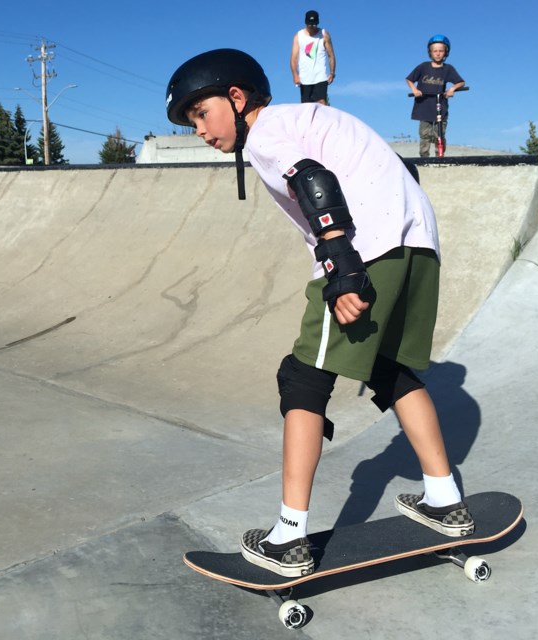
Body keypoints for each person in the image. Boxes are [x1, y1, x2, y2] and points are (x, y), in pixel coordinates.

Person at [165, 48, 474, 578]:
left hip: (363, 248)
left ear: (237, 99)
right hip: (417, 241)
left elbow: (312, 179)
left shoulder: (265, 134)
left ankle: (289, 537)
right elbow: (401, 170)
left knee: (304, 379)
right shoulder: (310, 118)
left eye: (200, 113)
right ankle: (446, 501)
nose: (199, 130)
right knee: (388, 369)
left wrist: (343, 265)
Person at [405, 35, 465, 157]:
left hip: (440, 104)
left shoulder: (448, 69)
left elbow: (461, 82)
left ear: (446, 52)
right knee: (425, 133)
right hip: (424, 104)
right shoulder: (423, 66)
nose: (438, 54)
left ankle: (440, 156)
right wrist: (415, 89)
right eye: (435, 51)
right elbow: (409, 79)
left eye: (441, 51)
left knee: (440, 133)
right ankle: (424, 157)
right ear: (430, 52)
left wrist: (452, 89)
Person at [290, 10, 335, 106]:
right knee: (307, 107)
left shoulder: (324, 34)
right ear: (306, 23)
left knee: (322, 103)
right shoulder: (298, 36)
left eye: (314, 25)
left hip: (320, 76)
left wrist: (332, 72)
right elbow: (294, 58)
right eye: (310, 25)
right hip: (305, 78)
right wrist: (295, 74)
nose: (312, 27)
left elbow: (331, 55)